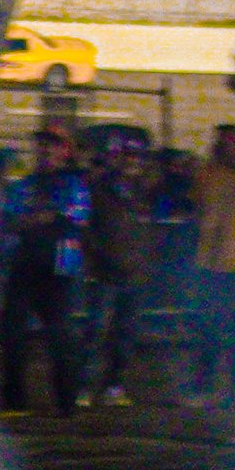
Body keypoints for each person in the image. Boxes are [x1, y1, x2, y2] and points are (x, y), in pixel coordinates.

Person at [0, 126, 92, 418]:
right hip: (25, 263)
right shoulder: (23, 184)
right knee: (12, 332)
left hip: (59, 268)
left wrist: (39, 219)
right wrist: (43, 218)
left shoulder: (73, 183)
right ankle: (14, 402)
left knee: (59, 335)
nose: (46, 149)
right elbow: (10, 219)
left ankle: (66, 402)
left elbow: (75, 218)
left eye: (53, 144)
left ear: (65, 150)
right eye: (42, 144)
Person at [186, 122, 235, 408]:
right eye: (221, 141)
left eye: (230, 142)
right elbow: (195, 205)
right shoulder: (207, 173)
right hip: (210, 263)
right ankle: (205, 389)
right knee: (209, 330)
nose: (224, 147)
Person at [84, 138, 160, 405]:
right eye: (128, 156)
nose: (132, 161)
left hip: (134, 273)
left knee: (125, 334)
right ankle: (84, 386)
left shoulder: (143, 191)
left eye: (136, 156)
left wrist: (144, 260)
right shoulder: (100, 189)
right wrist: (96, 258)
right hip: (105, 273)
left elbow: (149, 230)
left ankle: (113, 385)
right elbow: (87, 228)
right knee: (96, 331)